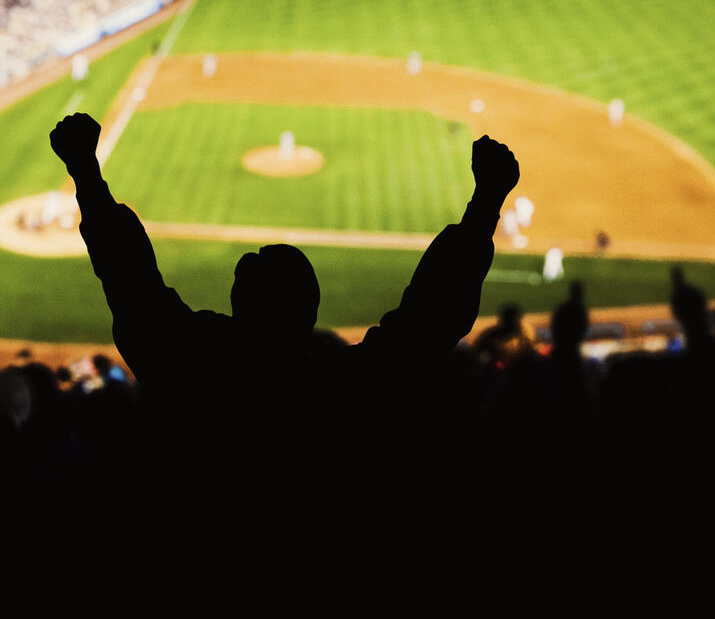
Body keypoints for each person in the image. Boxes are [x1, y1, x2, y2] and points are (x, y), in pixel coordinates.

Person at [50, 113, 519, 479]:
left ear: (235, 304)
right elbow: (425, 328)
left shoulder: (186, 368)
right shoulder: (345, 393)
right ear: (311, 313)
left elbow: (132, 286)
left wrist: (86, 173)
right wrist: (485, 204)